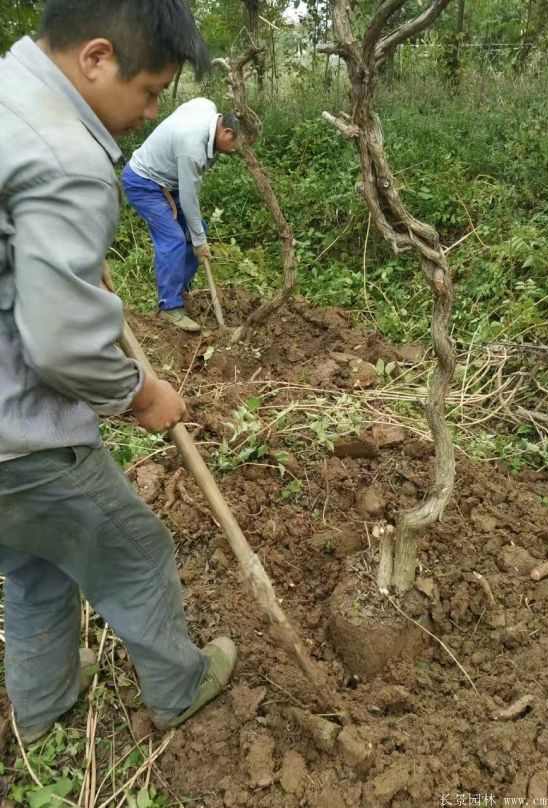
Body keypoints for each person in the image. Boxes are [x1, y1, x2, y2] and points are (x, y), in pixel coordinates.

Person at [0, 0, 237, 745]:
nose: (148, 112)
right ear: (97, 58)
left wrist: (55, 271)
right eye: (147, 91)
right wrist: (141, 394)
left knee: (37, 560)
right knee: (137, 554)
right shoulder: (67, 153)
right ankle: (180, 685)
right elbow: (64, 347)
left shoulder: (10, 94)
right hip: (22, 441)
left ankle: (42, 713)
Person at [122, 98, 240, 332]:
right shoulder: (192, 148)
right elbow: (188, 199)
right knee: (174, 239)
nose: (237, 150)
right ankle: (170, 307)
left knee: (198, 231)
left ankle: (178, 289)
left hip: (168, 181)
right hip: (143, 182)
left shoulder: (208, 107)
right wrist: (200, 243)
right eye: (238, 144)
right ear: (226, 132)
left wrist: (198, 237)